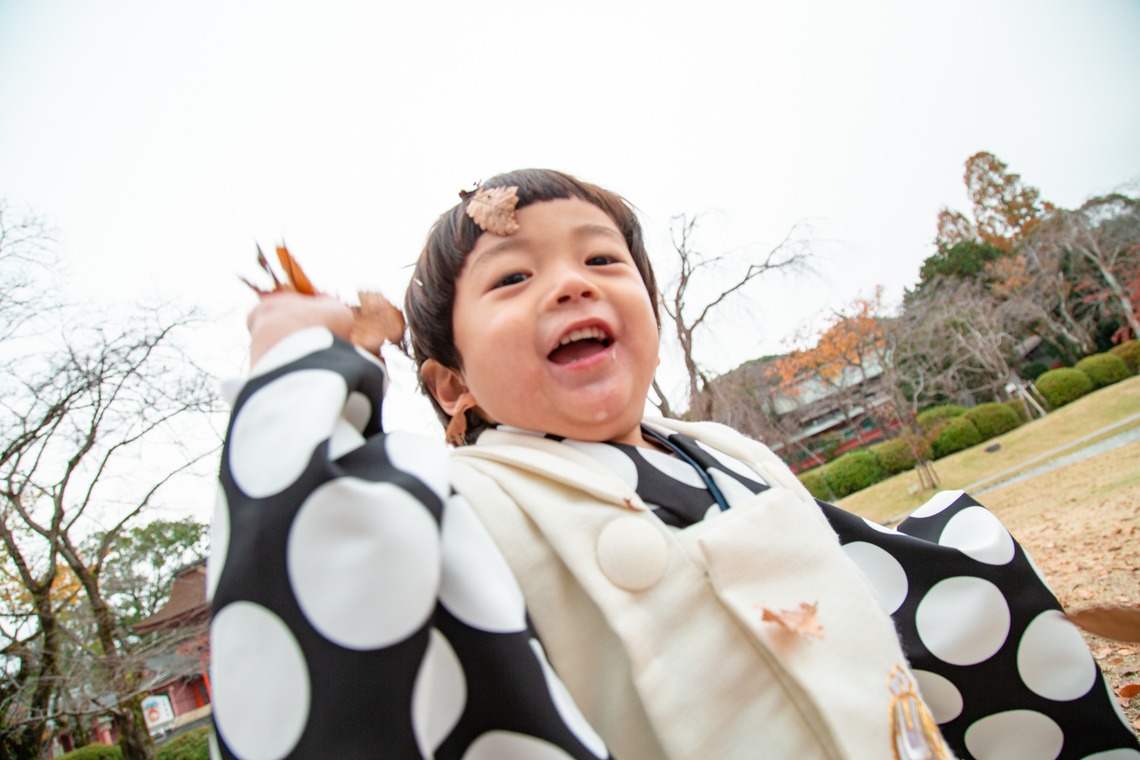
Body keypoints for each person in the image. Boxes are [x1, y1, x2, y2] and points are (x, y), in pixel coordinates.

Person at [208, 169, 1139, 759]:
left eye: (601, 260)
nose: (571, 282)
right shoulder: (470, 497)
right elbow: (332, 564)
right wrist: (293, 363)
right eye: (513, 278)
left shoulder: (727, 451)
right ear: (453, 386)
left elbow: (863, 579)